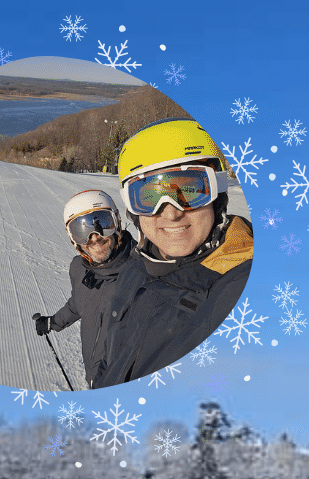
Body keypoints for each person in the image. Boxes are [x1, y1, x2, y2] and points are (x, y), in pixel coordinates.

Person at [86, 118, 254, 388]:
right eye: (150, 196)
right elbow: (113, 350)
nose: (172, 212)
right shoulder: (136, 266)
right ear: (134, 209)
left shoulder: (240, 286)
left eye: (189, 190)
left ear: (217, 194)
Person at [34, 189, 136, 388]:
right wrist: (53, 322)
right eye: (82, 231)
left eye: (103, 224)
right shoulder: (79, 268)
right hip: (93, 376)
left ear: (117, 224)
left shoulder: (142, 273)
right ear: (73, 239)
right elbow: (78, 304)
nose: (95, 238)